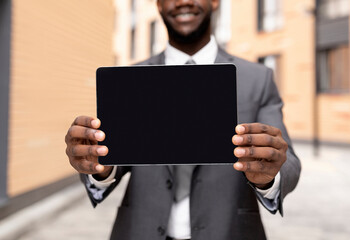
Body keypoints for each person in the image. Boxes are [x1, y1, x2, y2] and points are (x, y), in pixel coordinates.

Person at [65, 0, 301, 239]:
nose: (183, 2)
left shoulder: (257, 79)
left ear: (215, 2)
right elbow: (115, 158)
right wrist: (99, 166)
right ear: (158, 4)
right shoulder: (132, 80)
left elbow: (288, 162)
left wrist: (270, 173)